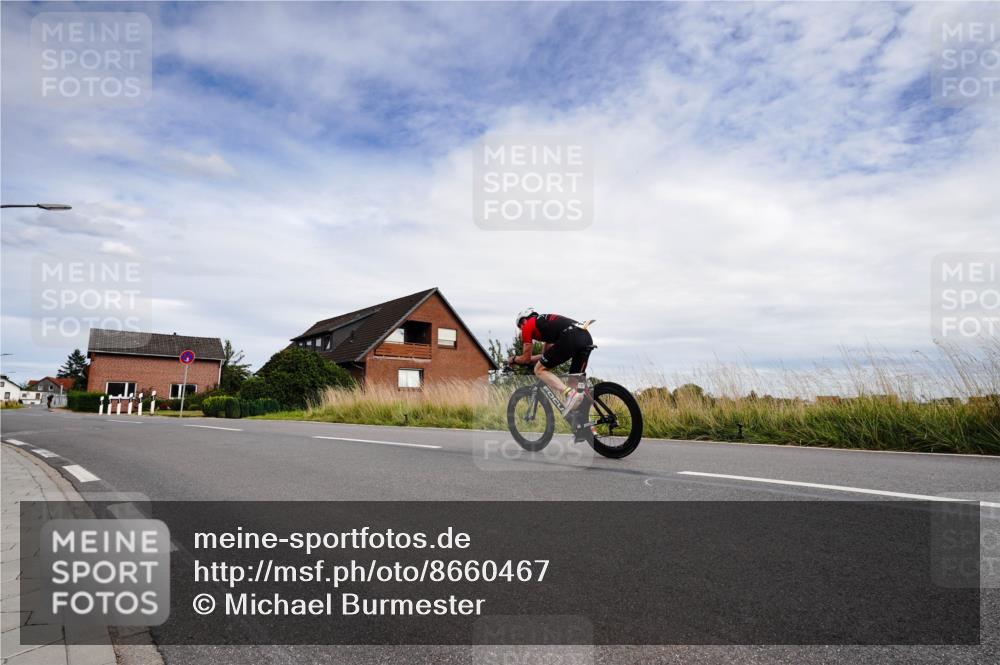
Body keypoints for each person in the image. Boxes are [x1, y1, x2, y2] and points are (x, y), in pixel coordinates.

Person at [508, 308, 593, 418]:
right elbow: (545, 356)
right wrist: (533, 360)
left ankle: (570, 393)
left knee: (539, 370)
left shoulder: (528, 325)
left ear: (523, 321)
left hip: (571, 336)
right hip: (585, 336)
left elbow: (525, 358)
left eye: (520, 327)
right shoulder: (546, 325)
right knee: (574, 380)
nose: (521, 330)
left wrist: (513, 359)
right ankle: (584, 423)